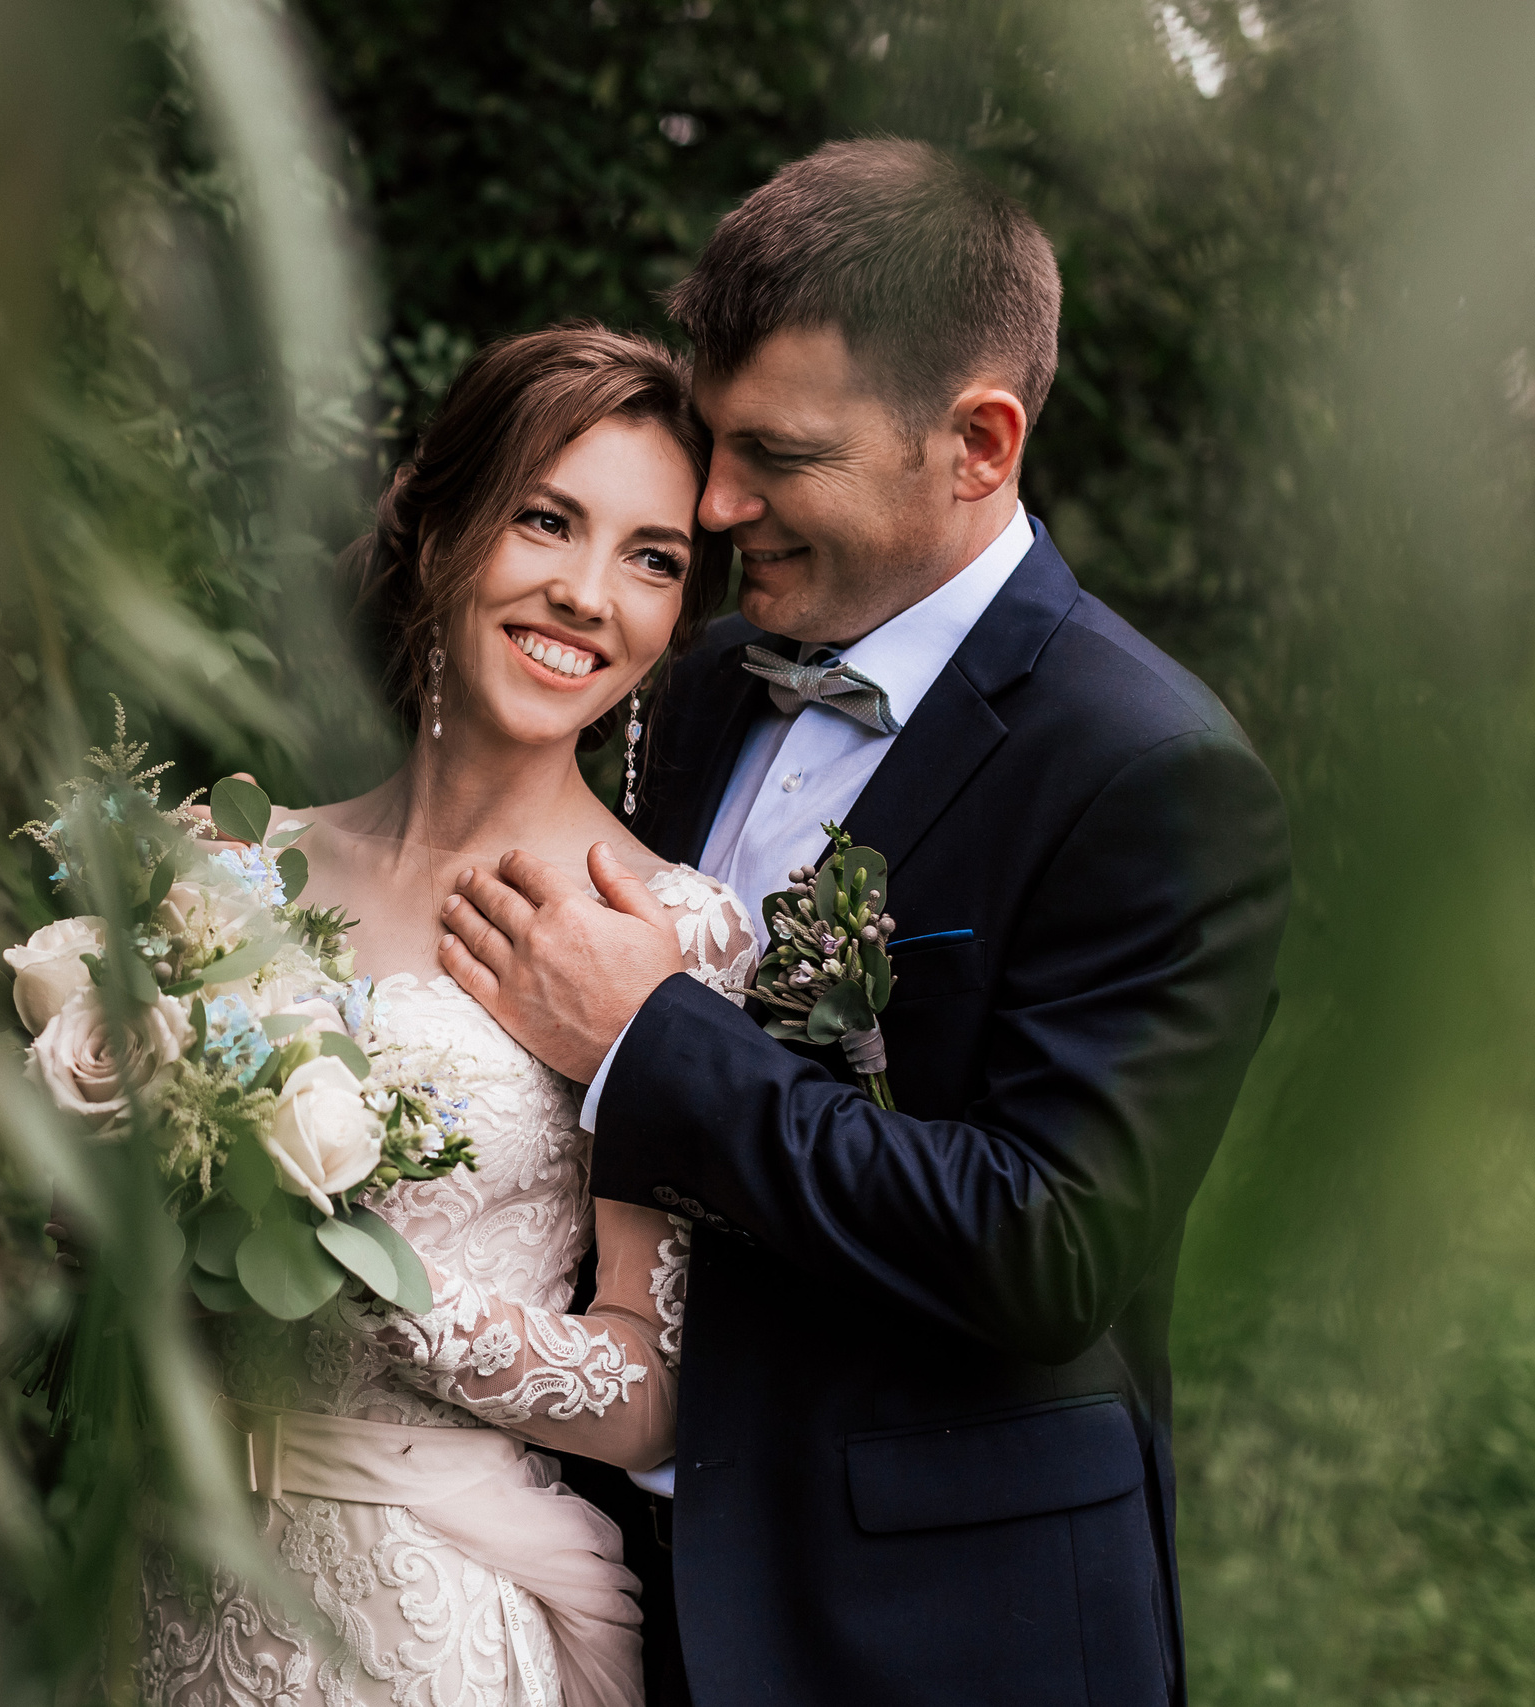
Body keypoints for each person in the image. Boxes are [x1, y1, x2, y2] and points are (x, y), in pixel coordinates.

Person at [436, 141, 1292, 1704]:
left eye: (775, 453)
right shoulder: (691, 694)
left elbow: (1048, 1248)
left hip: (944, 1628)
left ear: (975, 442)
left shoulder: (1150, 772)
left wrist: (653, 1034)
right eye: (710, 441)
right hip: (619, 1596)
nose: (712, 502)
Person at [138, 325, 753, 1707]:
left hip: (438, 1622)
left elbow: (653, 1394)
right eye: (548, 520)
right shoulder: (226, 871)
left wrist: (371, 1293)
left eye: (652, 558)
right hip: (189, 1588)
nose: (590, 594)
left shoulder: (663, 930)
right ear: (436, 533)